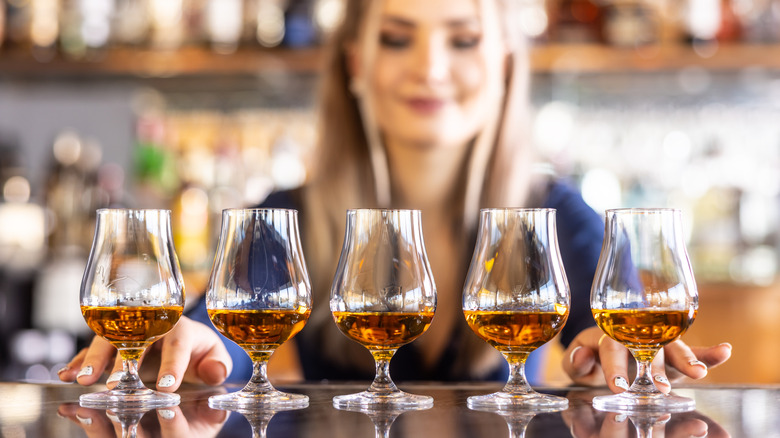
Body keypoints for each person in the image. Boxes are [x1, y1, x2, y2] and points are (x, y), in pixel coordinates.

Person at [59, 0, 731, 393]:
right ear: (355, 61)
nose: (430, 67)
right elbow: (221, 336)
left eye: (462, 38)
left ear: (502, 63)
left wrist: (612, 351)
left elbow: (604, 312)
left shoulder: (554, 214)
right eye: (397, 37)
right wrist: (188, 342)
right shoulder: (287, 215)